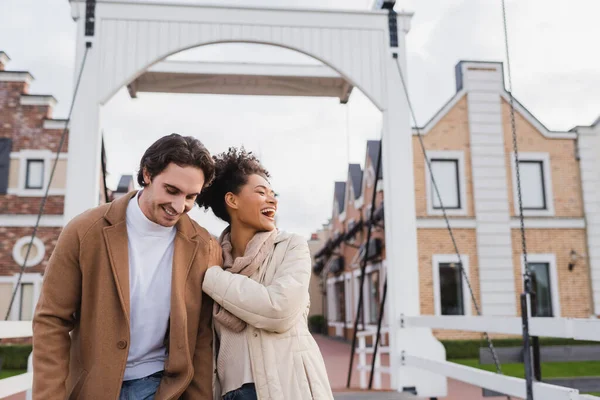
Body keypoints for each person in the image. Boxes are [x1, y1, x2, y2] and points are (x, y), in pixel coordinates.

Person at [32, 133, 222, 400]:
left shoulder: (205, 247)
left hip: (161, 388)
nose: (179, 206)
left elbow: (202, 338)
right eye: (171, 190)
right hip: (92, 387)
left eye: (191, 196)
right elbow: (51, 319)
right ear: (147, 173)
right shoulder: (84, 230)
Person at [197, 148, 334, 400]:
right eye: (261, 192)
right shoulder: (212, 256)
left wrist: (213, 277)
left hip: (288, 388)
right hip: (231, 393)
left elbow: (278, 310)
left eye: (273, 194)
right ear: (232, 200)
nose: (272, 200)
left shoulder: (291, 246)